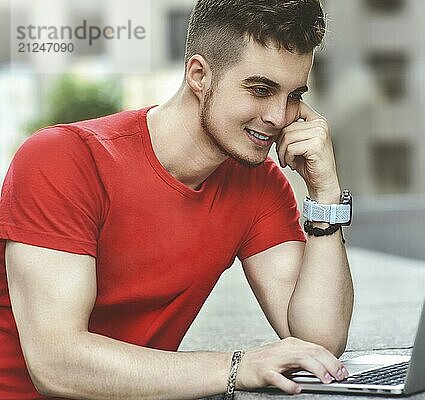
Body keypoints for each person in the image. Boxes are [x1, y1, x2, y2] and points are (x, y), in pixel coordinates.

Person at [0, 0, 355, 399]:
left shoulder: (258, 184)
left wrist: (325, 193)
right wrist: (237, 367)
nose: (278, 116)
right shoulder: (62, 159)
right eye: (261, 89)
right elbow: (57, 365)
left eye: (294, 95)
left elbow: (317, 343)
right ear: (199, 74)